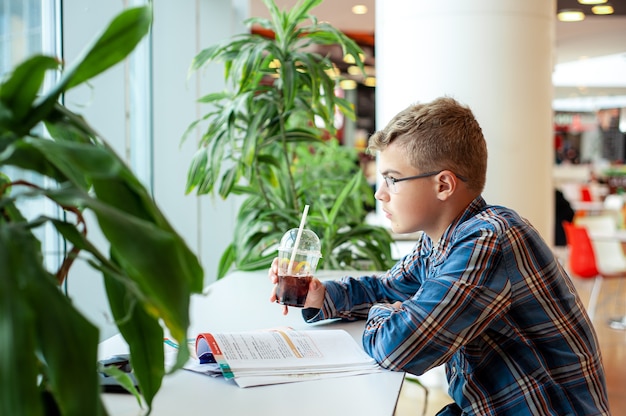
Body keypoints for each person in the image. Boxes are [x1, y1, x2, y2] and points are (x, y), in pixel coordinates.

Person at [268, 97, 610, 415]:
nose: (379, 194)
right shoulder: (442, 240)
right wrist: (321, 295)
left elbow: (399, 348)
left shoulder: (488, 239)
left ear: (443, 185)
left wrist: (392, 313)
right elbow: (391, 288)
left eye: (392, 180)